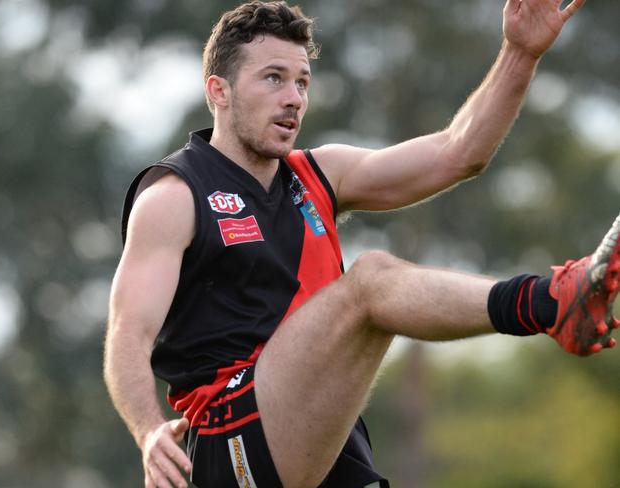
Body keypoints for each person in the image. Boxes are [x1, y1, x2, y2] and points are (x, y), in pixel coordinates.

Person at [104, 1, 620, 487]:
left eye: (303, 82)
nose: (294, 98)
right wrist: (147, 430)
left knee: (369, 294)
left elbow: (457, 153)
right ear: (218, 90)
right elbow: (128, 336)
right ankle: (553, 301)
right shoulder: (175, 195)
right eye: (273, 79)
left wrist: (520, 53)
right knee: (370, 283)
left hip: (330, 451)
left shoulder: (318, 173)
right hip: (232, 442)